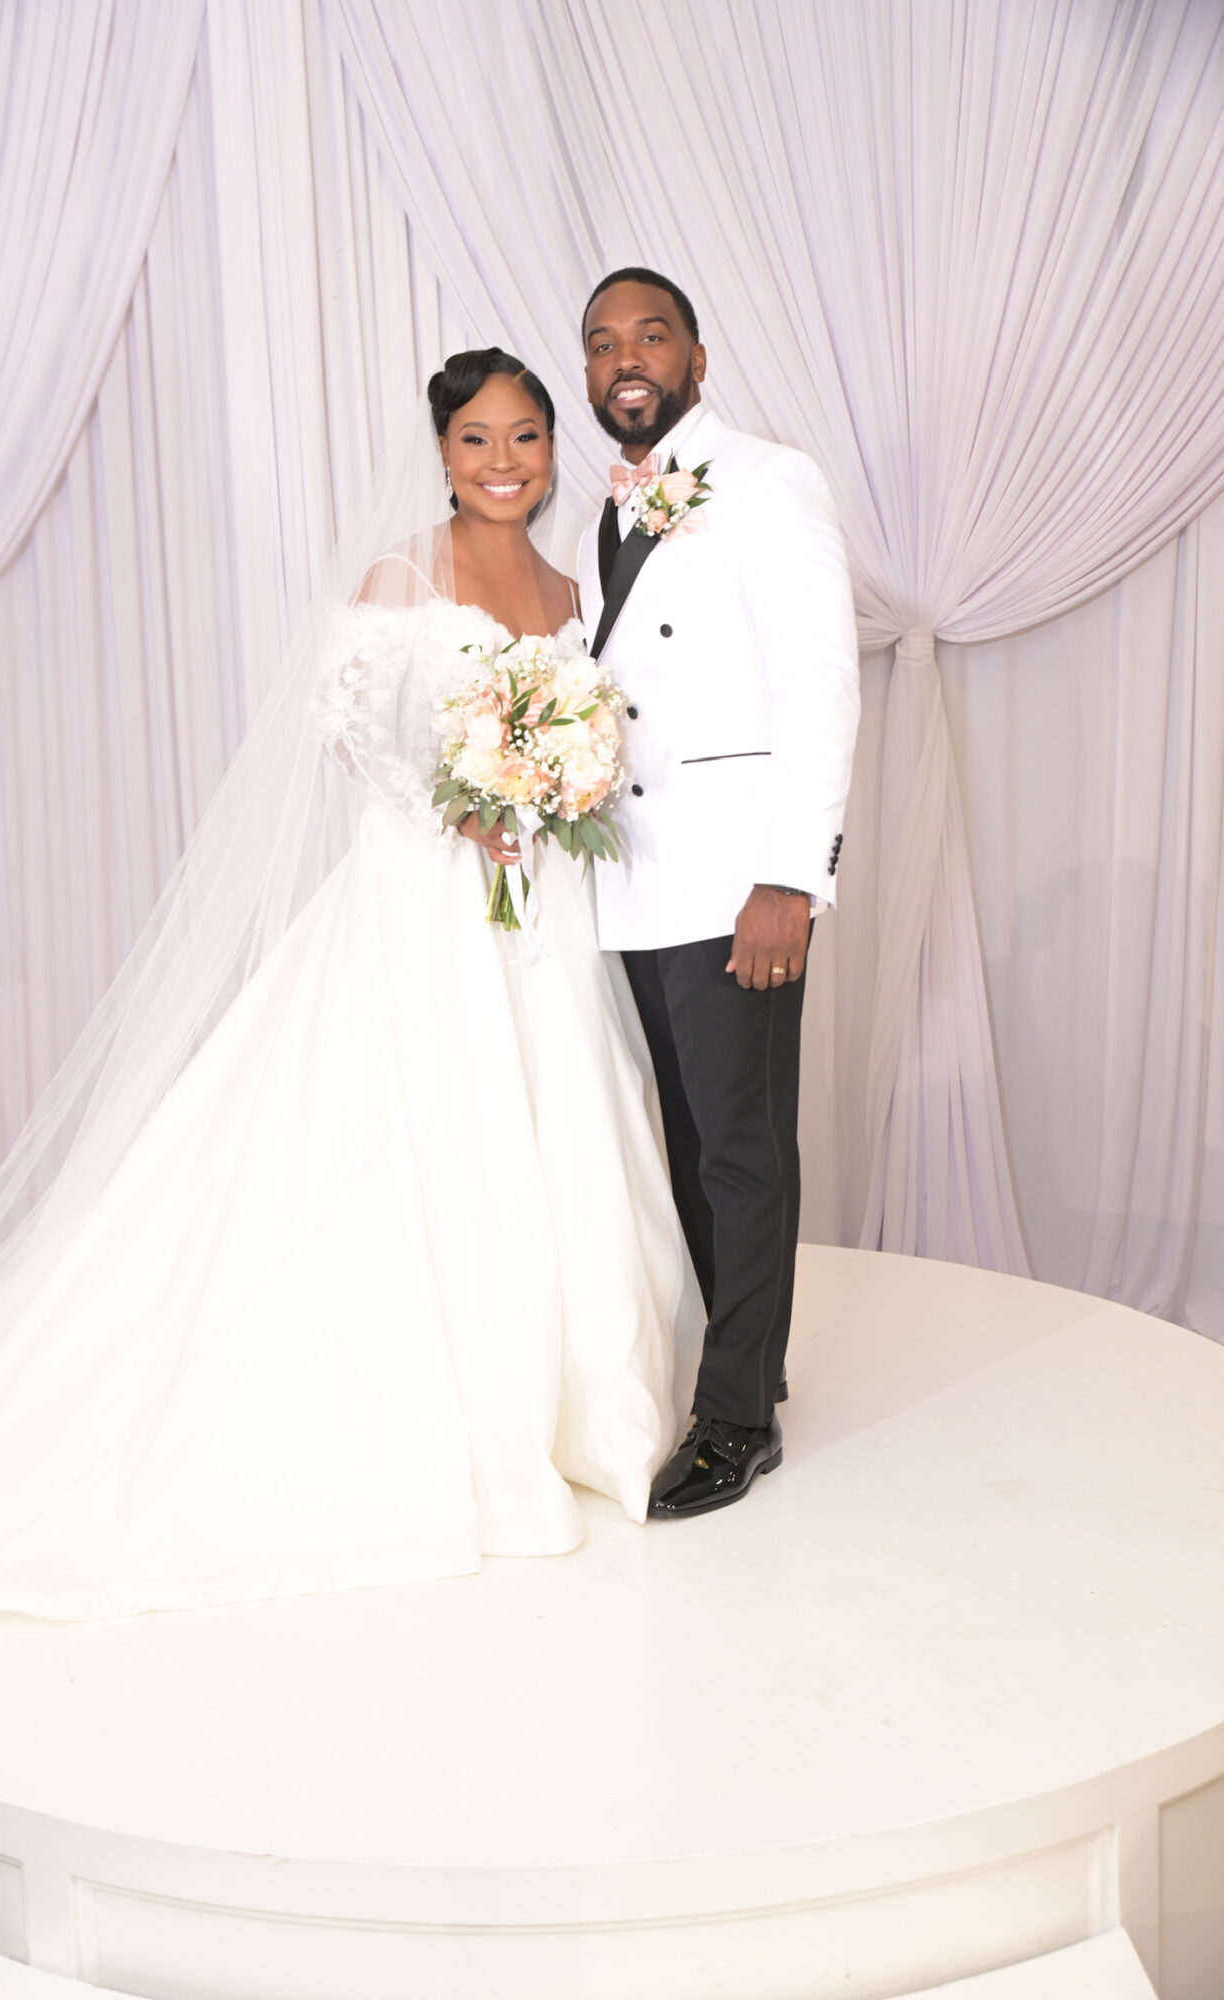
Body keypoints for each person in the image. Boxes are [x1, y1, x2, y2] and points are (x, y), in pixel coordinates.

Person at [0, 350, 689, 1644]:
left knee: (560, 1131)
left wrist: (550, 790)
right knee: (417, 1138)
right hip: (421, 902)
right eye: (479, 438)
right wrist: (465, 797)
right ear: (440, 452)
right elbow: (349, 733)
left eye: (528, 437)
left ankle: (577, 1413)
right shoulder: (400, 573)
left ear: (553, 450)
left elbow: (598, 739)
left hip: (539, 917)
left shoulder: (566, 584)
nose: (504, 461)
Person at [578, 268, 860, 1518]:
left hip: (737, 882)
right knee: (691, 1146)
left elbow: (820, 683)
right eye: (600, 345)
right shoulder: (600, 511)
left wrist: (789, 878)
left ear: (698, 355)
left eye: (649, 335)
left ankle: (737, 1417)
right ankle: (752, 1365)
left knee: (742, 1150)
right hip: (638, 882)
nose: (624, 359)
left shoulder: (765, 478)